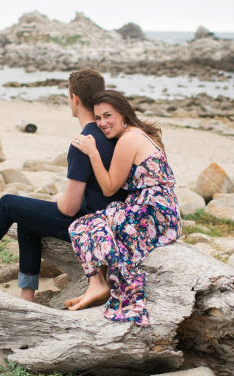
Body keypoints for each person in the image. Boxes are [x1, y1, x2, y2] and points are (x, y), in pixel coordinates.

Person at [0, 69, 126, 301]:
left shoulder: (83, 142)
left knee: (7, 204)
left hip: (89, 225)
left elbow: (69, 208)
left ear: (75, 99)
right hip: (112, 219)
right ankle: (26, 296)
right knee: (27, 217)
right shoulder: (111, 135)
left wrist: (60, 198)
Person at [65, 90, 181, 326]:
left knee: (82, 225)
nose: (102, 123)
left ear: (123, 113)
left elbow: (109, 188)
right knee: (101, 224)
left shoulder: (129, 138)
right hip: (165, 211)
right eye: (98, 118)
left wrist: (93, 152)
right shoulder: (143, 133)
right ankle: (97, 284)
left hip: (152, 211)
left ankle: (98, 284)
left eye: (108, 115)